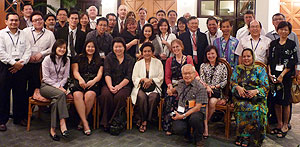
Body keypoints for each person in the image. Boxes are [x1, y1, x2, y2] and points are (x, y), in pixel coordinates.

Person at [265, 13, 299, 128]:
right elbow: (269, 59)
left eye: (286, 30)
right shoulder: (273, 43)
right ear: (277, 30)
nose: (283, 32)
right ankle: (279, 123)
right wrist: (269, 73)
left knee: (285, 101)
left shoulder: (292, 43)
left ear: (289, 31)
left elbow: (293, 60)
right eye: (281, 29)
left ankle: (285, 124)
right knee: (276, 101)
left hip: (286, 77)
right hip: (274, 76)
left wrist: (283, 75)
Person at [231, 48, 269, 146]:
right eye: (244, 56)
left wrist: (256, 91)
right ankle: (243, 136)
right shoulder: (238, 68)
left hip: (256, 97)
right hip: (240, 97)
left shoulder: (260, 69)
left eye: (248, 56)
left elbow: (265, 86)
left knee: (256, 109)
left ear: (253, 57)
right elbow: (232, 83)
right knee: (241, 106)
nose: (246, 59)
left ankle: (253, 137)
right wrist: (238, 87)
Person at [0, 12, 31, 131]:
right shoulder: (1, 34)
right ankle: (2, 120)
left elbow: (28, 51)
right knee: (3, 94)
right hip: (5, 66)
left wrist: (21, 63)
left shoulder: (23, 34)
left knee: (20, 93)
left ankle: (19, 118)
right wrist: (14, 63)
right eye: (11, 20)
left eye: (16, 20)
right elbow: (1, 53)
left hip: (21, 67)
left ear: (19, 21)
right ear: (6, 21)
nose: (14, 22)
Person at [163, 39, 200, 135]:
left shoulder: (188, 58)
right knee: (170, 97)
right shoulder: (169, 60)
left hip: (187, 83)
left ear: (182, 47)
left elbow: (193, 71)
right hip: (174, 84)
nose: (175, 49)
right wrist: (170, 86)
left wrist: (198, 78)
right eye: (173, 47)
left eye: (177, 46)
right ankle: (169, 126)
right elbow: (167, 77)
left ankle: (185, 121)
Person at [99, 37, 134, 131]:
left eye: (120, 47)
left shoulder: (130, 59)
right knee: (106, 95)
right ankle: (105, 121)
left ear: (124, 47)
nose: (118, 49)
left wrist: (118, 87)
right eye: (116, 47)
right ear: (112, 47)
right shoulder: (109, 58)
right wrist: (110, 86)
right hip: (109, 83)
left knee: (120, 97)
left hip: (124, 85)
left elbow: (128, 76)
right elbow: (107, 73)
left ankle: (115, 121)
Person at [167, 64, 207, 146]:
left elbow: (198, 107)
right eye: (185, 73)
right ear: (182, 75)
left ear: (194, 74)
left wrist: (182, 116)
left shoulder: (200, 87)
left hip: (195, 112)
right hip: (182, 110)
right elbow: (175, 90)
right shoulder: (181, 83)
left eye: (190, 73)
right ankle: (187, 134)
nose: (187, 75)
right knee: (177, 128)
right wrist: (171, 90)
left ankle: (199, 138)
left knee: (195, 119)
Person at [40, 39, 70, 141]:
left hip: (59, 88)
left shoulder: (67, 60)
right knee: (61, 94)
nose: (62, 49)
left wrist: (60, 86)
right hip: (46, 86)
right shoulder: (47, 59)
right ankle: (62, 123)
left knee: (55, 101)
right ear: (55, 48)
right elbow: (46, 78)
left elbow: (66, 77)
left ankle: (52, 129)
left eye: (64, 48)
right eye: (60, 47)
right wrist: (58, 86)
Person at [72, 40, 104, 136]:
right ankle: (85, 123)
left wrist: (93, 81)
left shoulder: (100, 59)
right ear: (85, 47)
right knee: (77, 95)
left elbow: (100, 74)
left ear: (95, 48)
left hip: (93, 82)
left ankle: (82, 121)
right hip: (80, 81)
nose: (90, 49)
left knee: (89, 95)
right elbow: (75, 71)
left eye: (92, 47)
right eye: (88, 46)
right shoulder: (78, 57)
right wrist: (80, 79)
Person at [131, 42, 164, 133]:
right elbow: (134, 78)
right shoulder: (138, 63)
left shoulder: (158, 62)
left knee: (153, 98)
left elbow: (161, 77)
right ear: (142, 53)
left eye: (149, 51)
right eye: (145, 51)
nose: (147, 53)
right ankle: (145, 121)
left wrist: (151, 80)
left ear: (152, 52)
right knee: (142, 97)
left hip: (154, 87)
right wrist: (143, 79)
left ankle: (144, 120)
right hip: (140, 87)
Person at [23, 11, 56, 101]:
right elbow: (21, 46)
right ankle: (22, 113)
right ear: (32, 22)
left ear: (43, 20)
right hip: (26, 64)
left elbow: (53, 48)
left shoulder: (49, 34)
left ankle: (33, 111)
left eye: (40, 19)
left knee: (35, 88)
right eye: (35, 20)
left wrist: (42, 53)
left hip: (40, 65)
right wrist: (28, 55)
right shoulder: (25, 32)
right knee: (21, 88)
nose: (38, 22)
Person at [199, 45, 227, 138]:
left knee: (212, 102)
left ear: (216, 54)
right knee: (205, 101)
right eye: (208, 54)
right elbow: (201, 80)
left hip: (217, 91)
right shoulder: (203, 66)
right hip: (205, 90)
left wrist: (214, 87)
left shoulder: (222, 66)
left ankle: (205, 123)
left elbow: (225, 81)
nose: (210, 56)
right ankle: (206, 128)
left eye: (212, 53)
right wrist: (207, 87)